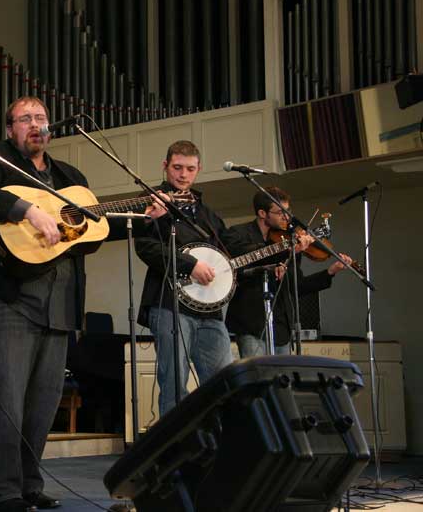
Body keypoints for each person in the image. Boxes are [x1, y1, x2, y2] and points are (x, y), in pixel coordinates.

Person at [0, 96, 162, 512]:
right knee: (6, 400)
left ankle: (29, 483)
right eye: (25, 118)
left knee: (43, 403)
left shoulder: (70, 176)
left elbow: (91, 229)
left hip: (61, 301)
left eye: (41, 118)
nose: (35, 124)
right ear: (10, 128)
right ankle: (2, 492)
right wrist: (28, 211)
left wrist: (143, 216)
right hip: (9, 297)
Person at [135, 140, 249, 417]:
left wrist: (275, 253)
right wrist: (190, 264)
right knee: (174, 385)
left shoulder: (205, 212)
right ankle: (173, 452)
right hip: (169, 305)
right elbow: (145, 247)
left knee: (223, 382)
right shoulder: (151, 202)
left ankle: (217, 447)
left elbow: (228, 248)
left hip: (210, 311)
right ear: (165, 166)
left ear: (199, 170)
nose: (183, 175)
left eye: (190, 169)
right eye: (177, 168)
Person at [225, 186, 352, 356]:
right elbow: (239, 261)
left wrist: (330, 272)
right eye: (280, 211)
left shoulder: (288, 240)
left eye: (288, 210)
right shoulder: (238, 233)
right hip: (250, 322)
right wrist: (284, 250)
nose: (286, 216)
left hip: (281, 325)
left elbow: (297, 286)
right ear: (263, 213)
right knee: (257, 376)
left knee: (282, 378)